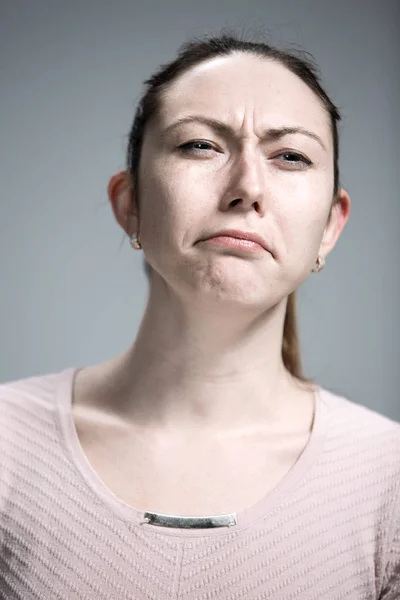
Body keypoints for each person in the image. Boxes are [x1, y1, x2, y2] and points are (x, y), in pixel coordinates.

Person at [1, 31, 399, 600]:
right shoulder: (6, 446)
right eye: (200, 146)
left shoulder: (388, 484)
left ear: (331, 227)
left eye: (290, 155)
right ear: (129, 202)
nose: (247, 188)